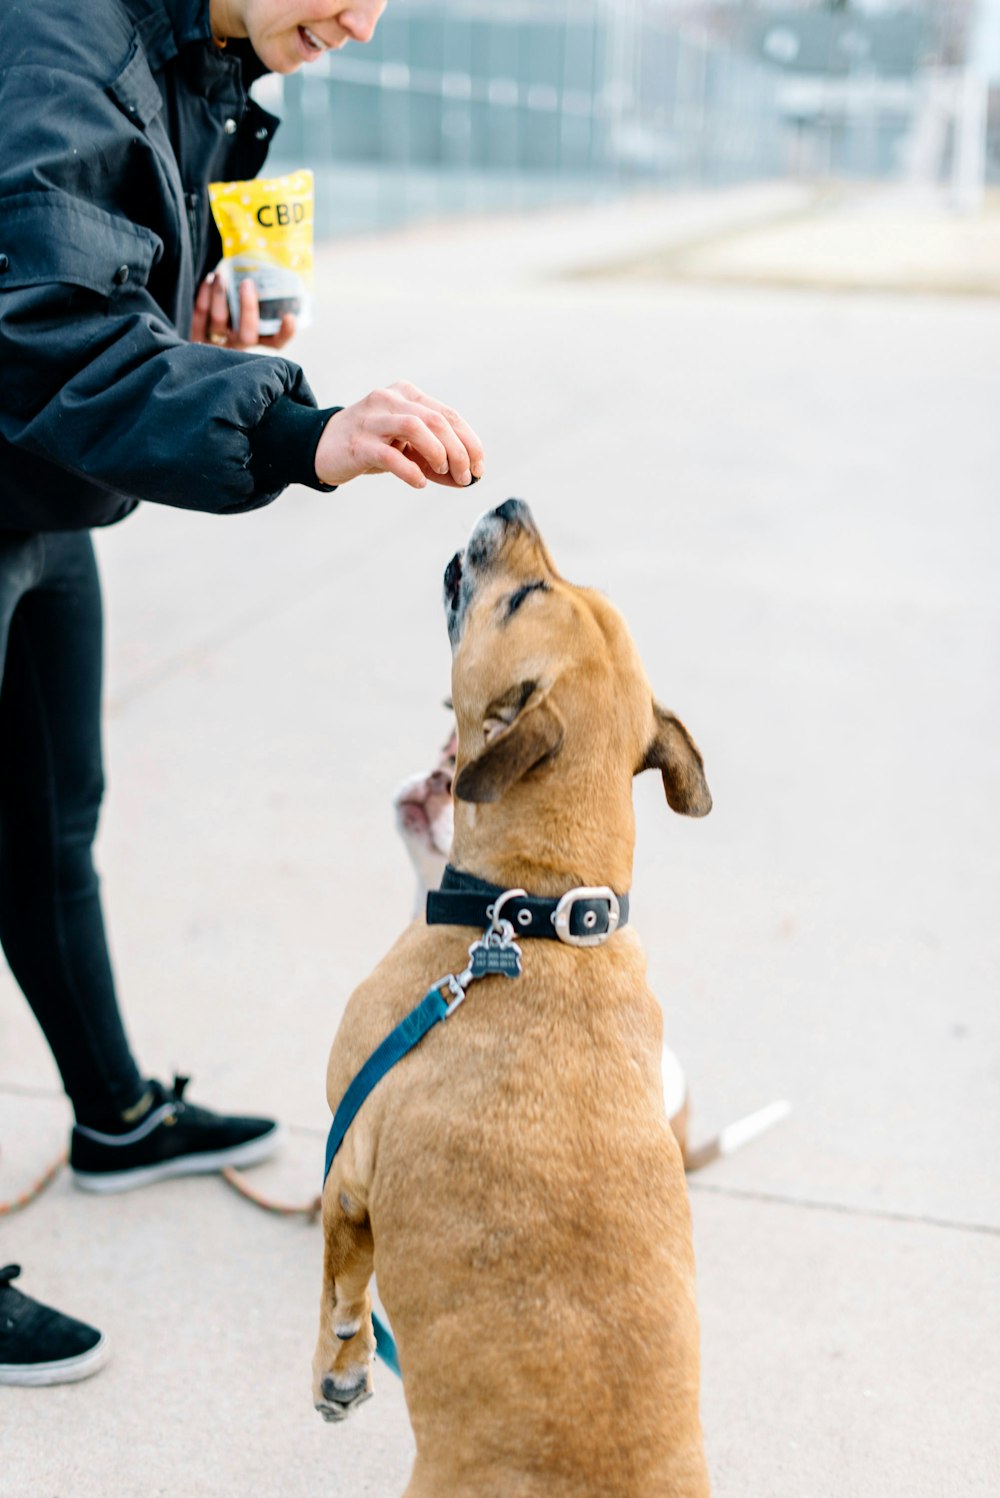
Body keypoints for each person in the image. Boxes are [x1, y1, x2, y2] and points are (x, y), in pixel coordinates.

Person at [0, 0, 484, 1385]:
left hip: (36, 496)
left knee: (51, 829)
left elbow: (104, 284)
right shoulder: (56, 34)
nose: (361, 17)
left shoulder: (208, 59)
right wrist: (292, 425)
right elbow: (42, 326)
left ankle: (114, 1116)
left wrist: (204, 307)